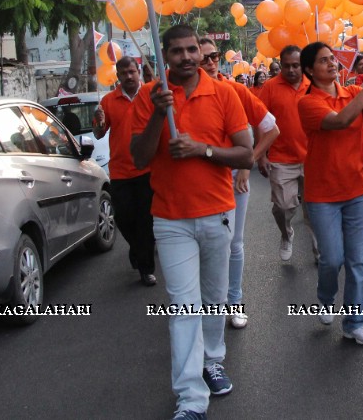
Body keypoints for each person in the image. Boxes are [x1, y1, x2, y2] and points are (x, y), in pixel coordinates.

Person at [130, 25, 252, 420]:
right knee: (184, 307)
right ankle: (190, 397)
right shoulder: (151, 97)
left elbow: (246, 154)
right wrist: (156, 115)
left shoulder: (225, 92)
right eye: (177, 51)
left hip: (217, 212)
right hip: (170, 219)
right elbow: (138, 158)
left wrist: (203, 150)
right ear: (165, 55)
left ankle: (213, 360)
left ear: (200, 53)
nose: (185, 57)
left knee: (214, 300)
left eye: (191, 50)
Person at [297, 41, 363, 346]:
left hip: (357, 189)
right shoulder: (307, 103)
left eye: (332, 59)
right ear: (309, 70)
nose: (331, 64)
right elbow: (340, 122)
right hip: (323, 194)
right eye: (323, 61)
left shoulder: (352, 93)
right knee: (332, 259)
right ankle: (326, 297)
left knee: (356, 261)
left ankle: (354, 322)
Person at [199, 37, 280, 330]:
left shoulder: (234, 90)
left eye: (214, 56)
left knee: (233, 241)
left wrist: (247, 162)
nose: (209, 62)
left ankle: (234, 300)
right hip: (198, 181)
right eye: (204, 57)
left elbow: (271, 129)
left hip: (233, 179)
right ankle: (205, 304)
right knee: (203, 243)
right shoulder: (180, 94)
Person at [93, 56, 156, 286]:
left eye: (132, 72)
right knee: (125, 220)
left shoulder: (149, 95)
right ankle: (137, 249)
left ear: (138, 72)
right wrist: (99, 122)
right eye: (123, 73)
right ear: (117, 76)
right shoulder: (109, 101)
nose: (128, 77)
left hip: (147, 168)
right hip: (119, 171)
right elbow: (99, 133)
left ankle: (146, 268)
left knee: (146, 221)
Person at [257, 45, 319, 264]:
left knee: (314, 210)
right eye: (286, 66)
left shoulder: (314, 85)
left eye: (296, 65)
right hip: (281, 159)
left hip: (313, 159)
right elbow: (261, 123)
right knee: (284, 207)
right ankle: (286, 233)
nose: (291, 70)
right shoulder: (270, 87)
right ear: (280, 65)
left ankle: (318, 251)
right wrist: (262, 155)